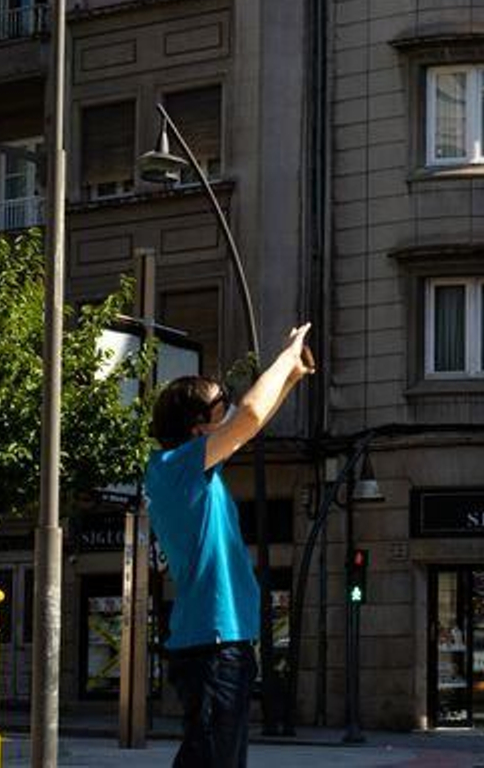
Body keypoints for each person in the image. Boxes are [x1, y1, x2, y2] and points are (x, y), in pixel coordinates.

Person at [145, 325, 316, 767]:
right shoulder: (175, 468)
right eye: (220, 413)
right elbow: (249, 419)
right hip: (212, 645)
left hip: (221, 643)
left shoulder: (191, 469)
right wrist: (287, 354)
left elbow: (247, 425)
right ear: (198, 428)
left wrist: (292, 377)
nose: (229, 421)